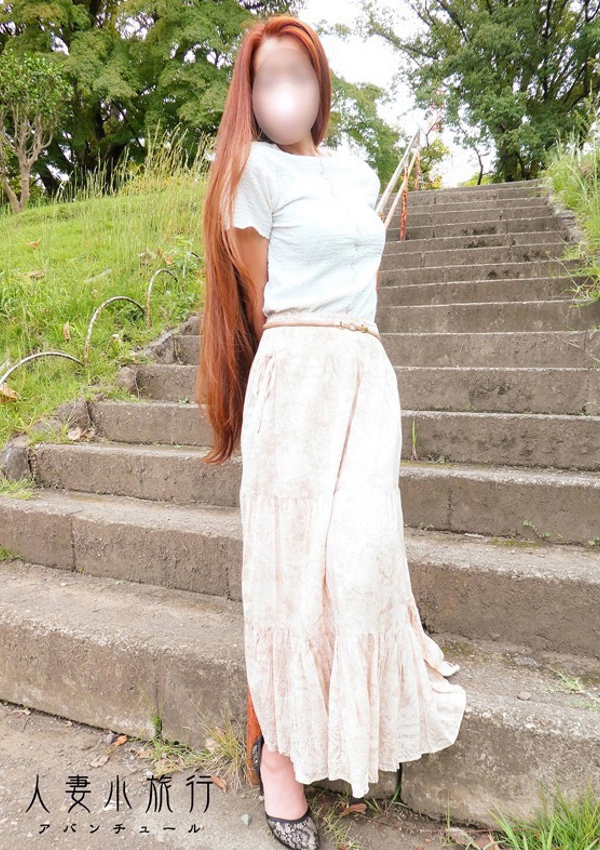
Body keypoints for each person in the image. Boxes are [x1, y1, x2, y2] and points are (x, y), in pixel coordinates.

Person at [195, 14, 467, 850]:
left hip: (363, 373)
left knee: (359, 551)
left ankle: (341, 722)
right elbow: (258, 294)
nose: (286, 91)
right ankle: (278, 754)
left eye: (300, 74)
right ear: (249, 95)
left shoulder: (354, 170)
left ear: (321, 85)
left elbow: (363, 269)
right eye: (268, 78)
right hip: (297, 372)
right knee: (289, 569)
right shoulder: (253, 173)